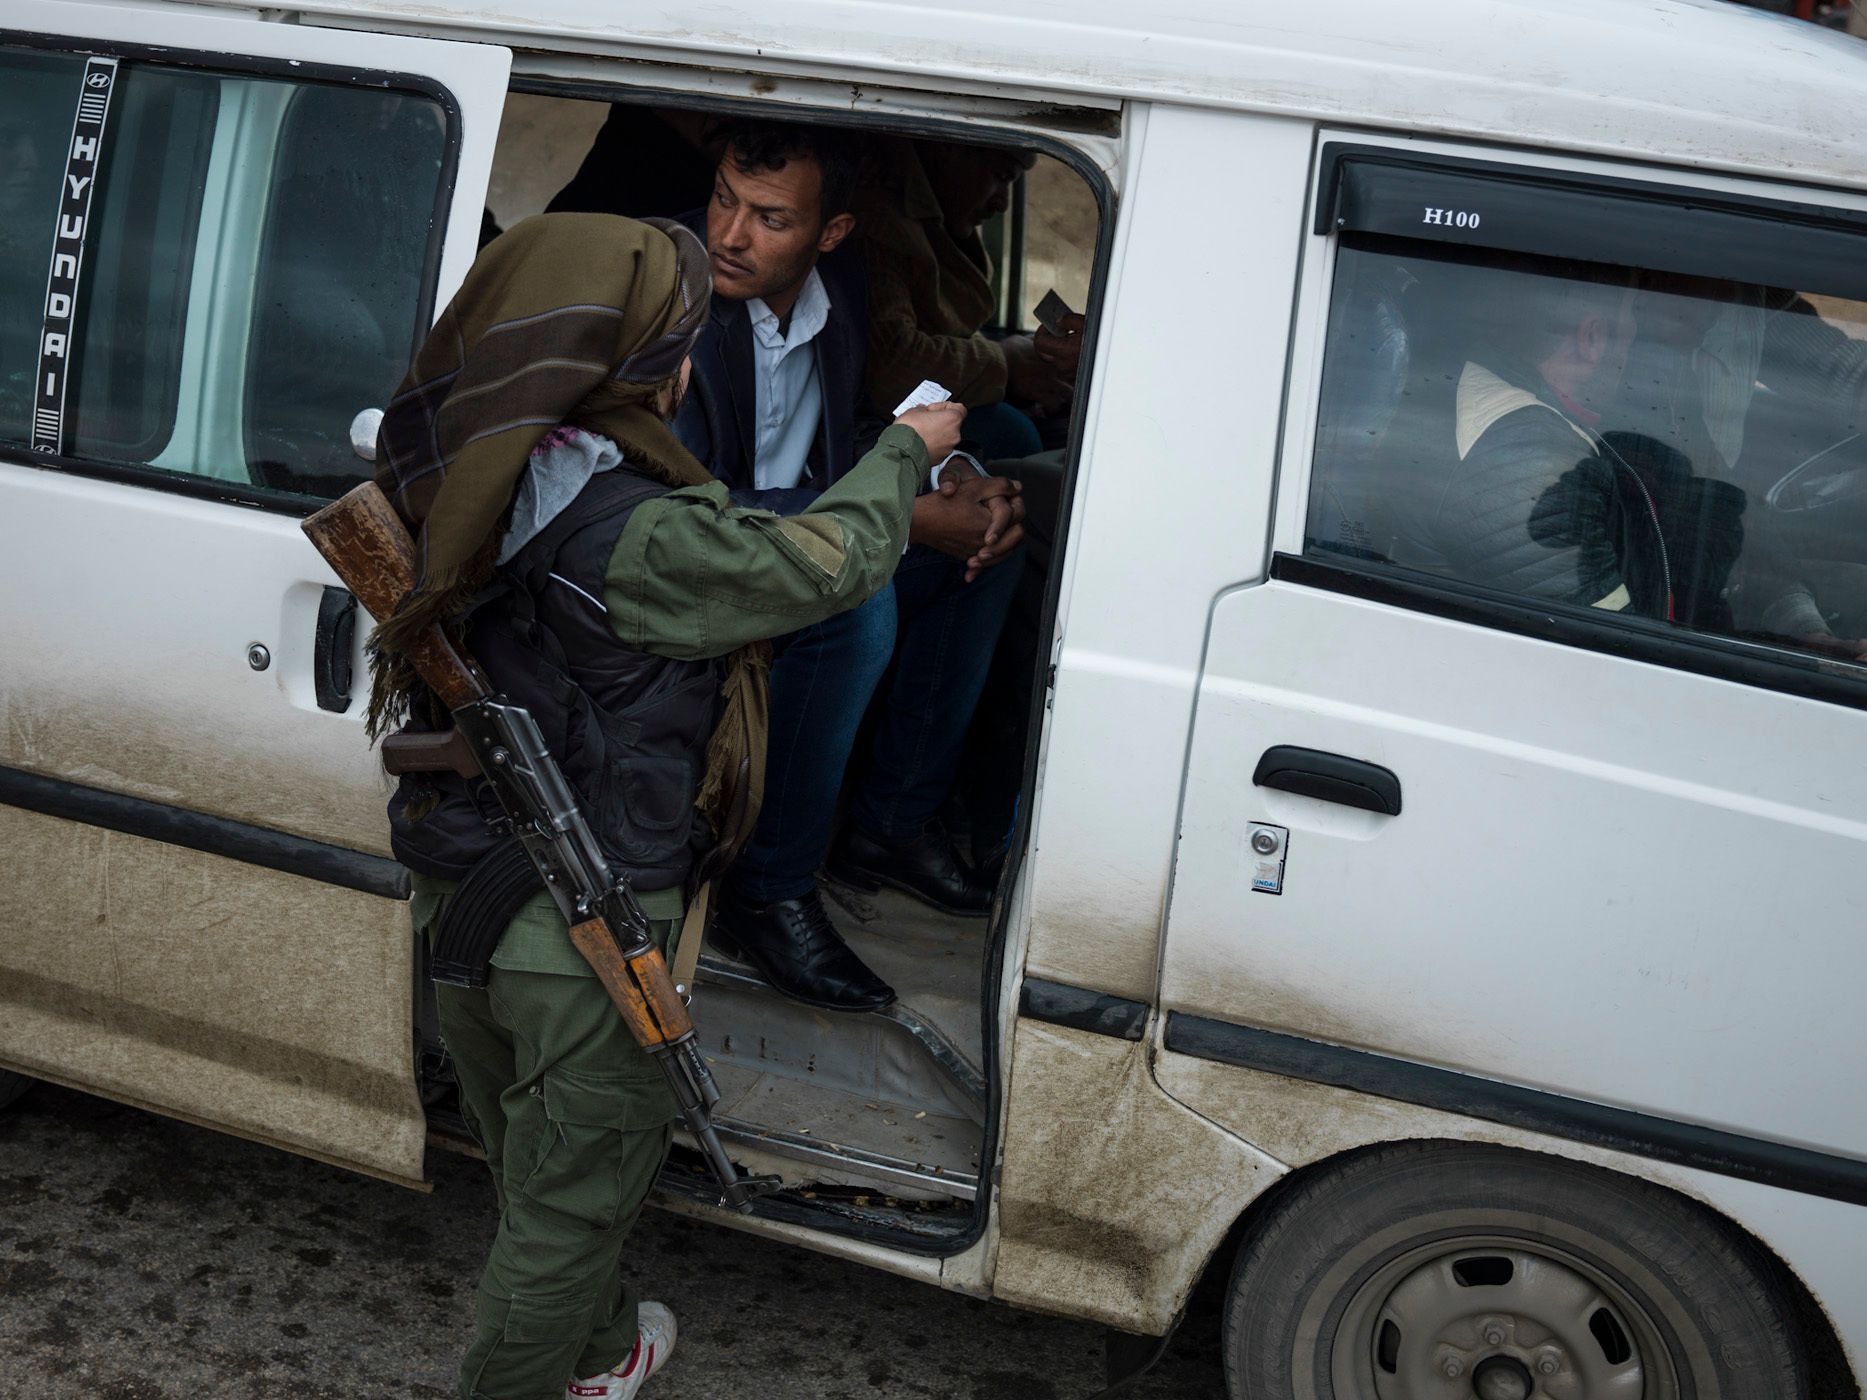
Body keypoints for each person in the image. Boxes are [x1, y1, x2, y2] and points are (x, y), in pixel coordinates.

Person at [368, 212, 962, 1400]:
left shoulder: (447, 466)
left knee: (540, 1172)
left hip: (461, 893)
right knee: (570, 1207)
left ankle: (598, 1357)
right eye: (677, 341)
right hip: (579, 930)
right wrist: (907, 448)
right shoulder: (639, 532)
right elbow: (832, 564)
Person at [671, 120, 1027, 1013]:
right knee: (855, 606)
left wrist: (950, 479)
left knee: (983, 551)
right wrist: (900, 515)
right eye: (722, 200)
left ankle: (889, 827)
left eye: (770, 219)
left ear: (831, 232)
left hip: (798, 536)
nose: (729, 235)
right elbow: (690, 508)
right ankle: (764, 887)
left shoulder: (842, 292)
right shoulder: (676, 308)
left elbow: (848, 436)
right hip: (700, 569)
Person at [860, 137, 1085, 462]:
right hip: (872, 423)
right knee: (1010, 433)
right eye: (1000, 176)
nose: (1003, 203)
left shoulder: (929, 224)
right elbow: (892, 366)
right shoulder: (877, 222)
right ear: (948, 148)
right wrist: (1006, 363)